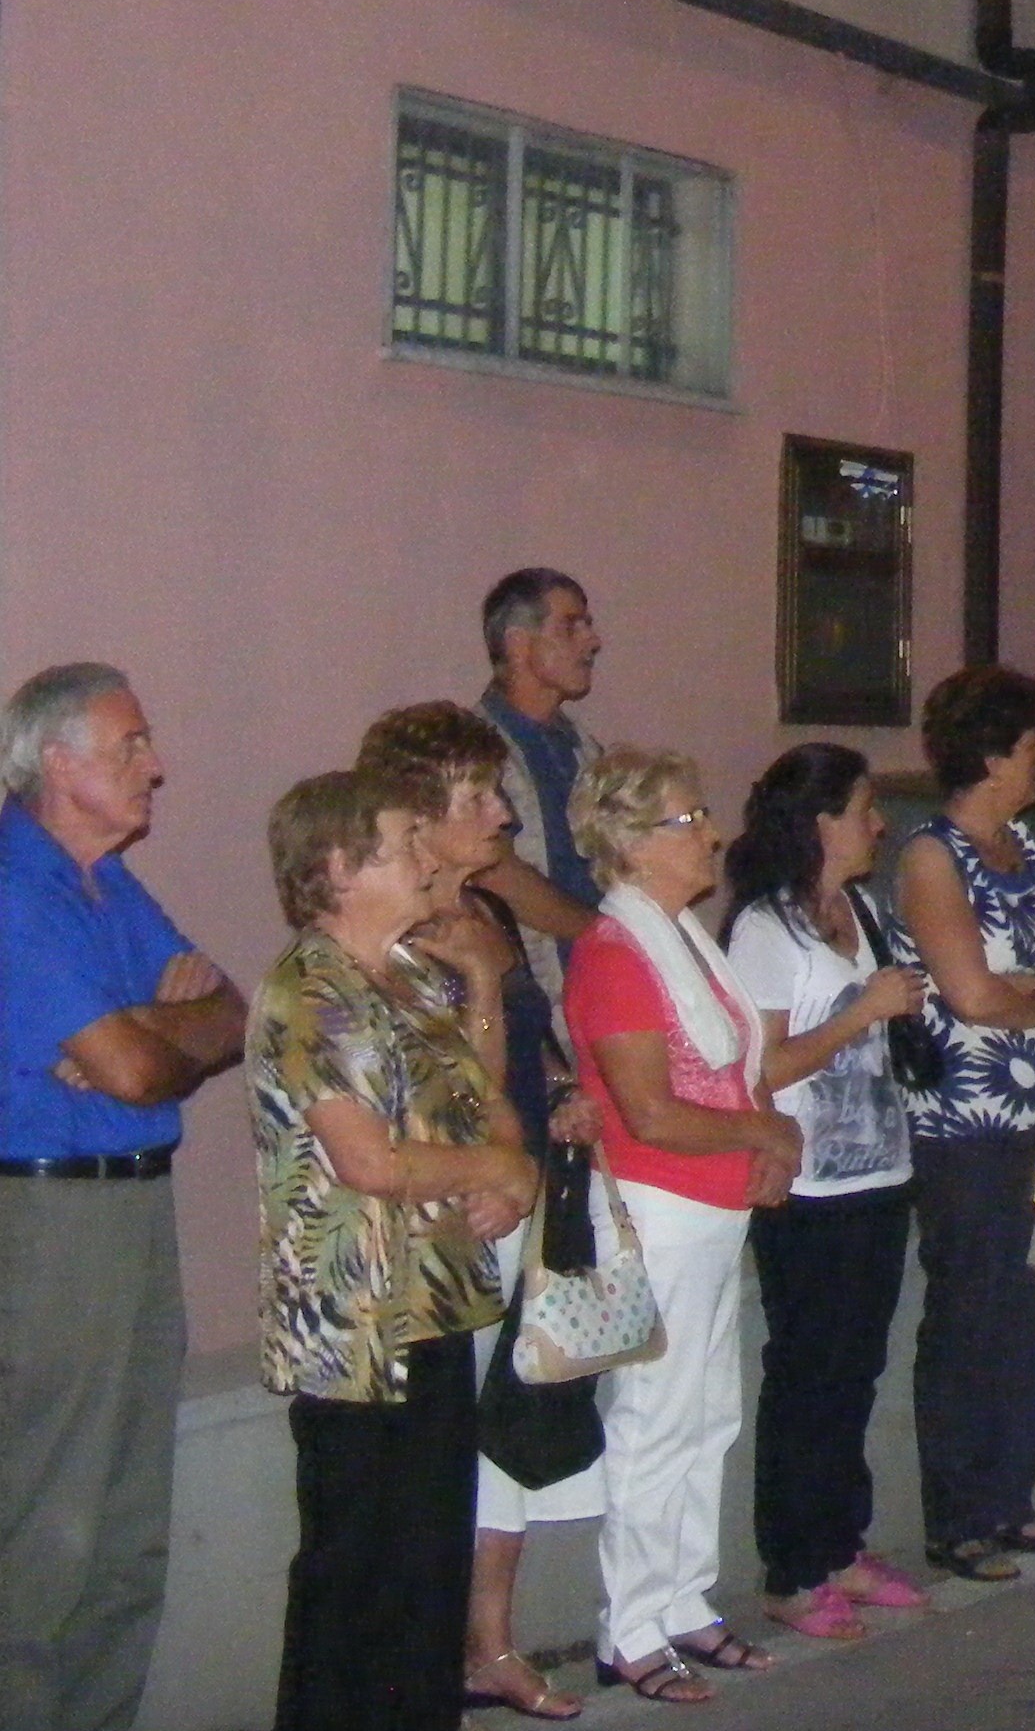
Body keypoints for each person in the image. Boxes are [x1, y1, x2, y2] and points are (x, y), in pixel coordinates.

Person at [251, 767, 535, 1731]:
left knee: (427, 1566)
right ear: (338, 867)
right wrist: (494, 1168)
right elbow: (370, 1161)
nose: (427, 860)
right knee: (353, 1576)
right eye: (404, 843)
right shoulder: (309, 990)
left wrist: (487, 986)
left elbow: (479, 1098)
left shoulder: (411, 971)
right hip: (355, 1321)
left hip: (435, 1301)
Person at [0, 665, 246, 1731]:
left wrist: (133, 1028)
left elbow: (234, 1013)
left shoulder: (105, 881)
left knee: (129, 1516)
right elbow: (142, 1074)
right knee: (48, 1522)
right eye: (132, 745)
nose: (158, 765)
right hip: (56, 1222)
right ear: (59, 764)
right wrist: (144, 1037)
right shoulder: (18, 887)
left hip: (134, 1206)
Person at [356, 702, 604, 1722]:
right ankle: (419, 1661)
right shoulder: (388, 933)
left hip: (516, 1178)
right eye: (479, 797)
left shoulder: (487, 917)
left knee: (507, 1417)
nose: (503, 813)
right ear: (419, 813)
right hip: (441, 1212)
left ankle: (486, 1643)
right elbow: (423, 1094)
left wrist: (558, 1089)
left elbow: (507, 1061)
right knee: (430, 1448)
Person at [562, 747, 800, 1703]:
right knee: (655, 1419)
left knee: (709, 1412)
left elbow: (734, 1073)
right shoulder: (615, 954)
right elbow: (650, 1112)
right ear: (629, 842)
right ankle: (629, 1625)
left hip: (711, 1208)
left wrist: (763, 1145)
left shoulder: (682, 938)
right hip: (658, 1210)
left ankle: (684, 1599)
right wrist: (762, 1131)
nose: (710, 834)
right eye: (687, 818)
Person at [889, 665, 1035, 1579]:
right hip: (964, 1124)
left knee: (1033, 1313)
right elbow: (970, 996)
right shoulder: (934, 856)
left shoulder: (1026, 844)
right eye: (1030, 745)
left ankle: (1010, 1500)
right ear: (993, 753)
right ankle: (958, 1515)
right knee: (971, 1312)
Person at [719, 745, 932, 1642]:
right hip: (808, 1188)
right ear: (819, 822)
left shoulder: (865, 909)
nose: (876, 823)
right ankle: (793, 1567)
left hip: (881, 1172)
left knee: (856, 1370)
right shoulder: (766, 930)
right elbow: (761, 1069)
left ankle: (842, 1541)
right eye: (862, 807)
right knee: (807, 1373)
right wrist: (860, 1013)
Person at [472, 570, 606, 954]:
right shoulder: (477, 752)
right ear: (518, 645)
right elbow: (495, 872)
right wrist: (605, 937)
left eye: (588, 625)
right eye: (570, 627)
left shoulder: (584, 750)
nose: (591, 641)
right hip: (527, 993)